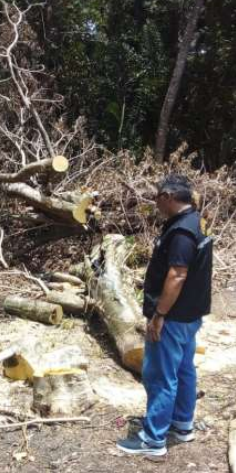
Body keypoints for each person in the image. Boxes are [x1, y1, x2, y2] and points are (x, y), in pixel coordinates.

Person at [117, 174, 212, 456]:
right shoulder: (195, 222)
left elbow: (178, 275)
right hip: (189, 316)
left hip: (172, 317)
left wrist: (159, 315)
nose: (156, 204)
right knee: (183, 370)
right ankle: (182, 424)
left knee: (160, 375)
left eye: (158, 198)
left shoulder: (181, 232)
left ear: (168, 197)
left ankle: (153, 439)